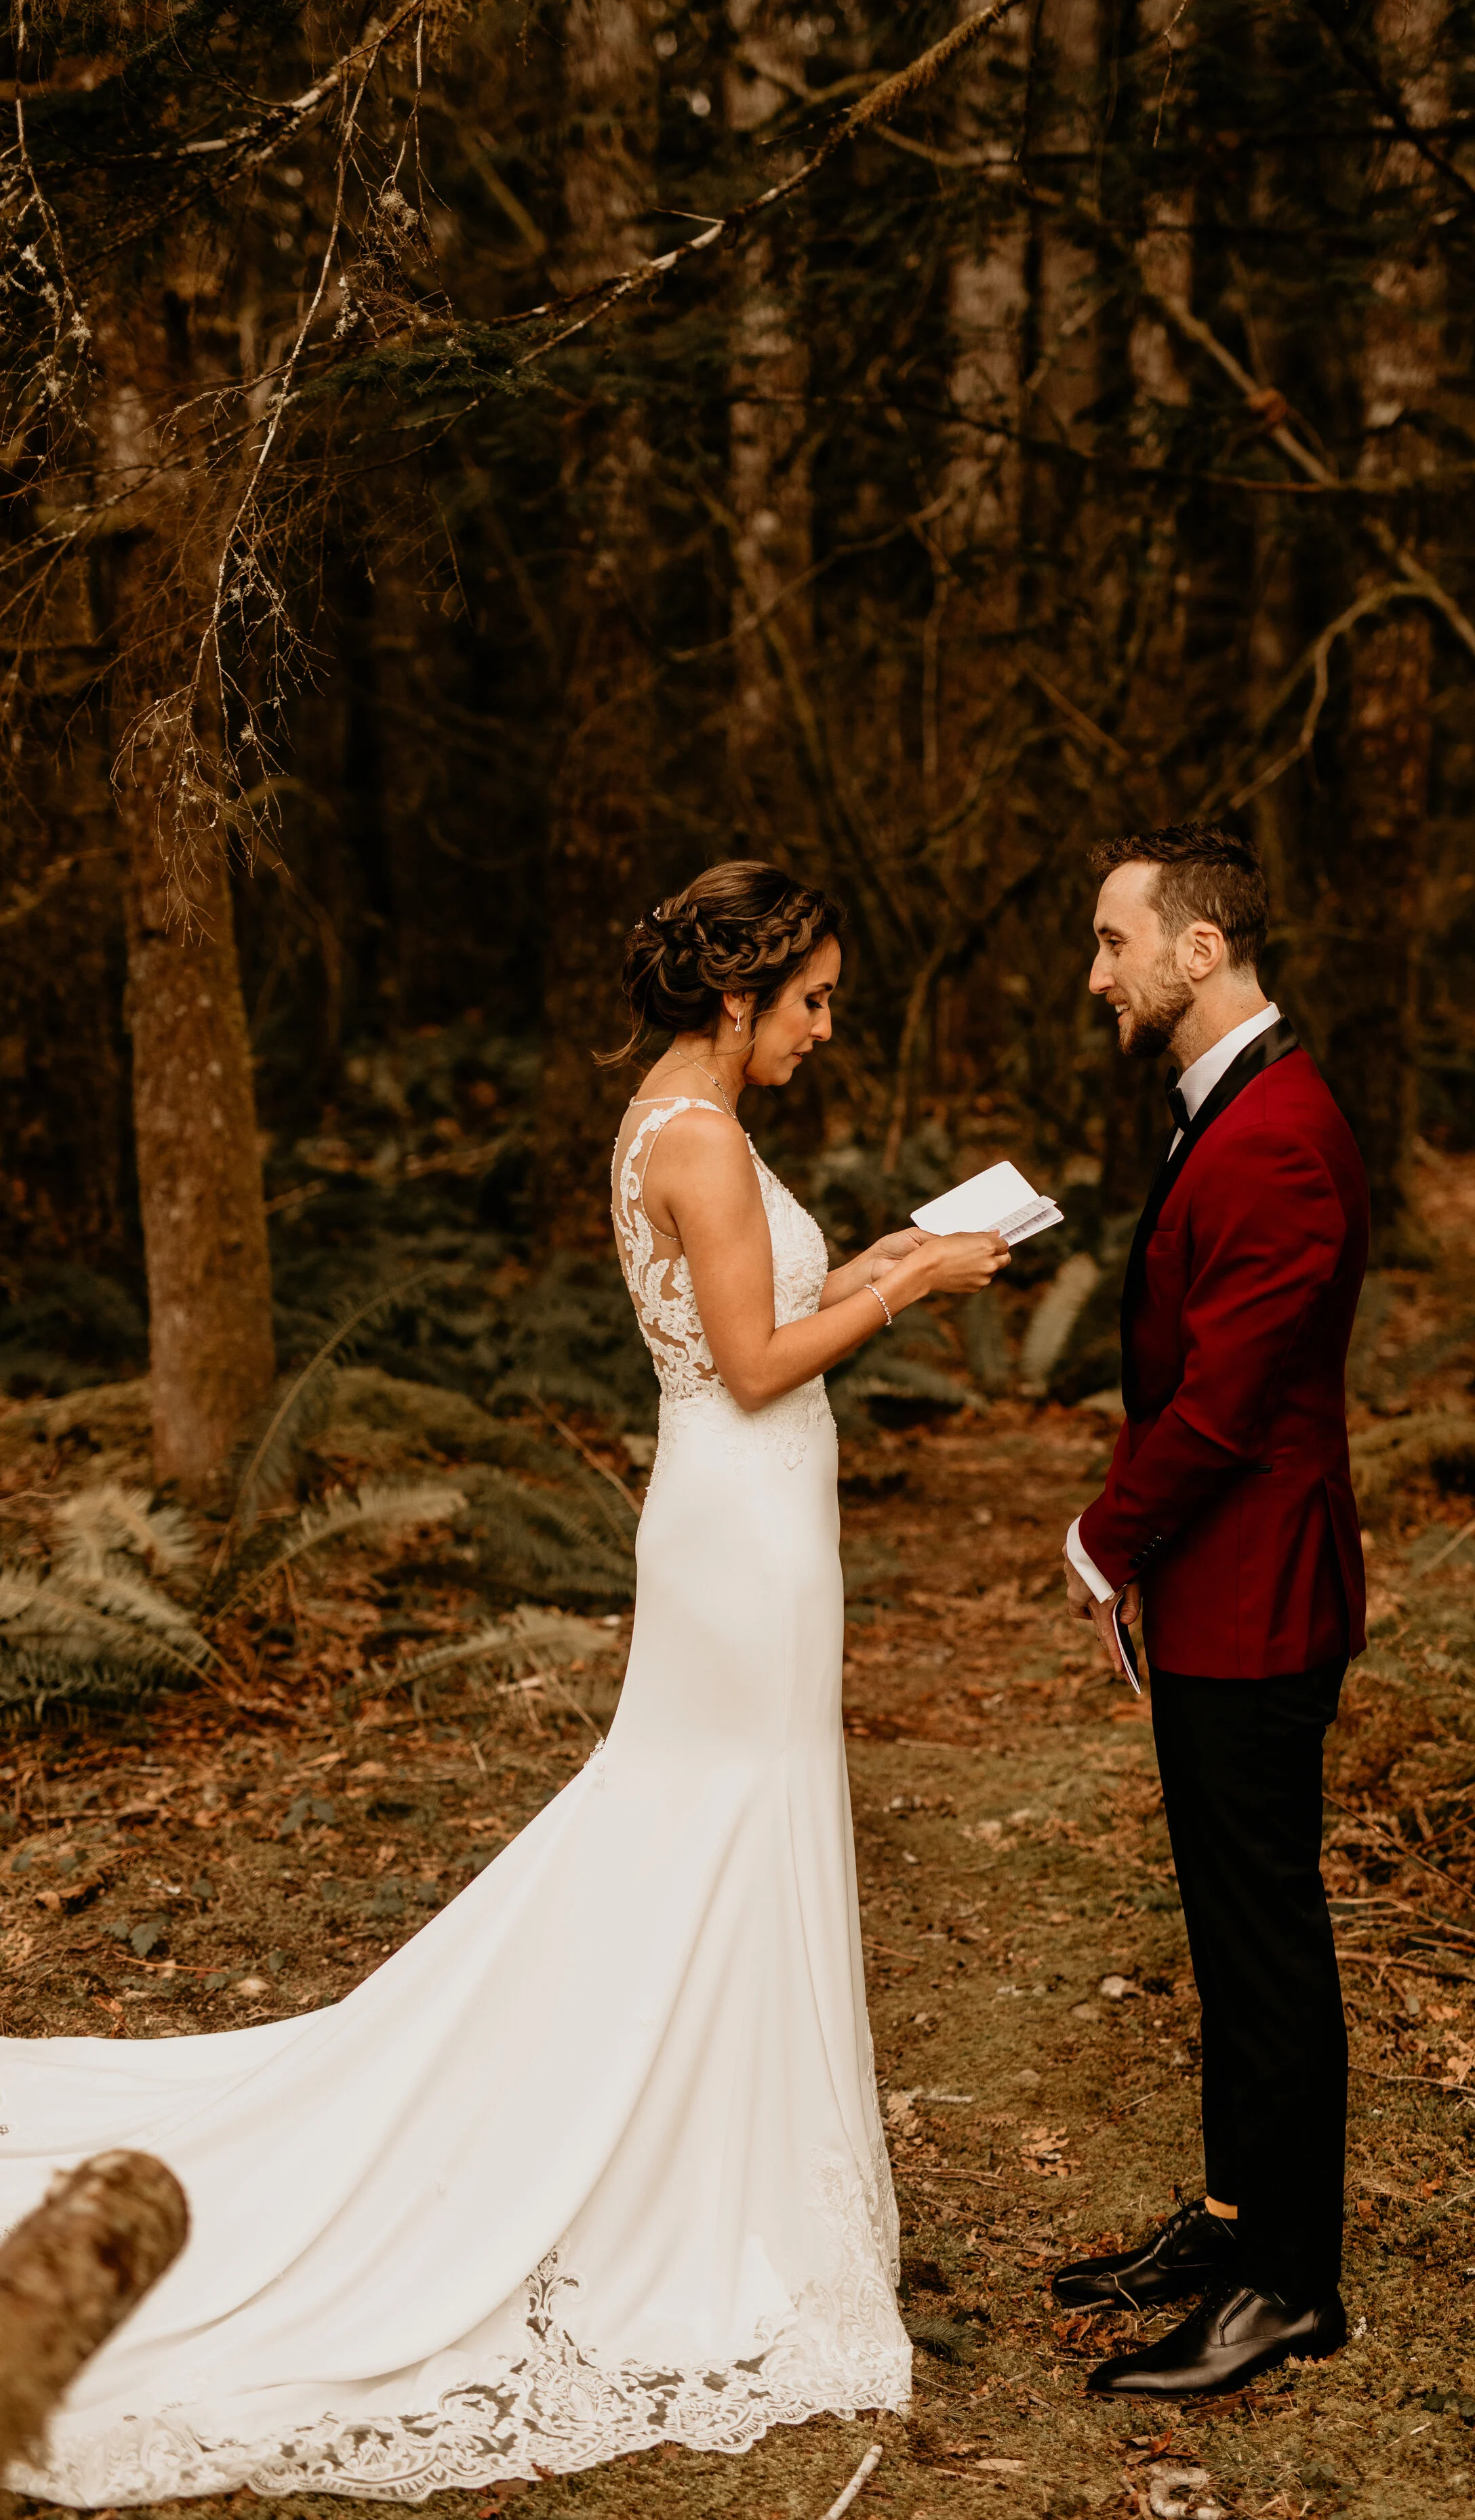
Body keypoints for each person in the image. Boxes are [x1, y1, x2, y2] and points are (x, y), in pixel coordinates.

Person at [0, 860, 1009, 2505]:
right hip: (742, 1534)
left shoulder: (657, 1117)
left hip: (728, 1519)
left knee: (699, 1825)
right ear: (737, 994)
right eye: (811, 999)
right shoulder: (701, 1139)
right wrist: (912, 1283)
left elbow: (746, 1317)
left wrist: (884, 1248)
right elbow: (754, 1365)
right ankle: (684, 2178)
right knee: (717, 1824)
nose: (827, 1027)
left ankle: (699, 2130)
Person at [1050, 824, 1368, 2402]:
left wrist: (1103, 1540)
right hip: (1216, 1588)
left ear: (1198, 950)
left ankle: (1288, 2289)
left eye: (1113, 942)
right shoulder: (1221, 1103)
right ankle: (1235, 2215)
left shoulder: (1279, 1133)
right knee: (1225, 1929)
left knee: (1263, 1941)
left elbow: (1227, 1398)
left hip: (1259, 1593)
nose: (1093, 971)